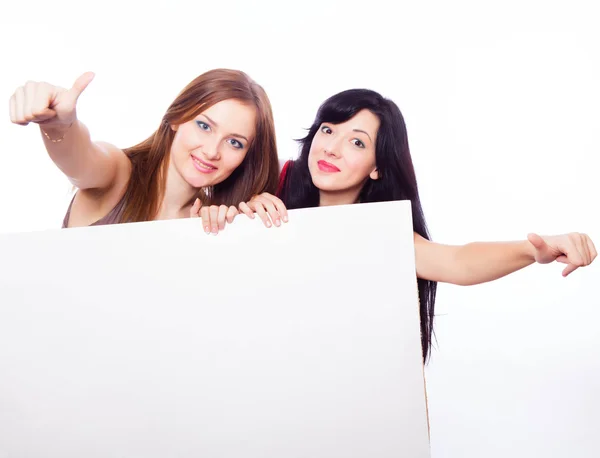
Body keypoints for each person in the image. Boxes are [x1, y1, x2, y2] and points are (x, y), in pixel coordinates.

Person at [238, 88, 597, 361]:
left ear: (377, 166)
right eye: (328, 130)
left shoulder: (380, 232)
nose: (331, 148)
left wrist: (530, 251)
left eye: (357, 142)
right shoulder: (275, 186)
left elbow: (457, 262)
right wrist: (245, 214)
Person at [8, 68, 279, 234]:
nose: (211, 151)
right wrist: (59, 127)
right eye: (204, 126)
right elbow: (81, 161)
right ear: (176, 118)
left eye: (235, 142)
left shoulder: (212, 219)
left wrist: (250, 230)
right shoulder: (119, 174)